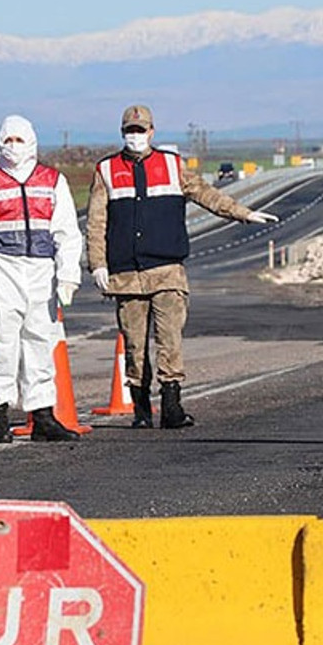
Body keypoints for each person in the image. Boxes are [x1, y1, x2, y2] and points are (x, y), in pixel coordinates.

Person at [87, 105, 278, 429]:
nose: (135, 136)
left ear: (152, 132)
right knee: (134, 345)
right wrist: (97, 264)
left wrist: (242, 213)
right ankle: (141, 410)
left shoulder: (172, 165)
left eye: (141, 130)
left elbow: (207, 195)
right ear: (123, 133)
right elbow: (96, 222)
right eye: (129, 131)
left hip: (167, 271)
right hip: (127, 276)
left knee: (170, 340)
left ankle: (172, 406)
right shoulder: (106, 170)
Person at [0, 116, 82, 443]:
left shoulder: (52, 181)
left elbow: (68, 233)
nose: (13, 146)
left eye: (19, 139)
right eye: (7, 139)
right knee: (1, 344)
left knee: (40, 341)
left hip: (42, 270)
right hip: (1, 268)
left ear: (31, 140)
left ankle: (43, 415)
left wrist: (69, 275)